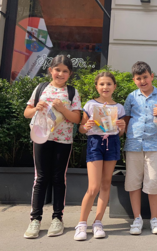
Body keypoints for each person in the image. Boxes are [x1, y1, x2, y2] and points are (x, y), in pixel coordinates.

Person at [23, 55, 82, 239]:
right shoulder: (41, 88)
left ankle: (57, 219)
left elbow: (76, 119)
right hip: (41, 138)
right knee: (40, 178)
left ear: (70, 74)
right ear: (51, 71)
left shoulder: (72, 92)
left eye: (65, 71)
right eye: (58, 70)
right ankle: (35, 220)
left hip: (63, 140)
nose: (61, 74)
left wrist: (64, 109)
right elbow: (27, 113)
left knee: (58, 178)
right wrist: (35, 108)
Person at [123, 61, 157, 235]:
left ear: (151, 76)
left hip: (155, 144)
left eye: (145, 77)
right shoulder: (131, 97)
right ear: (134, 80)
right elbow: (126, 120)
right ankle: (137, 219)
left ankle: (154, 218)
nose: (143, 81)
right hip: (134, 143)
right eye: (139, 78)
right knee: (133, 181)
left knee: (153, 181)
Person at [74, 72, 126, 241]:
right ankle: (82, 224)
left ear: (114, 87)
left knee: (105, 184)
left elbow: (120, 133)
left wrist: (122, 126)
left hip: (112, 143)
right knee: (93, 186)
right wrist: (86, 126)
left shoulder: (119, 107)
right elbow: (81, 129)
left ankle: (98, 222)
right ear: (96, 86)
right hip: (95, 143)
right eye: (102, 84)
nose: (105, 87)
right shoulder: (90, 105)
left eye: (109, 84)